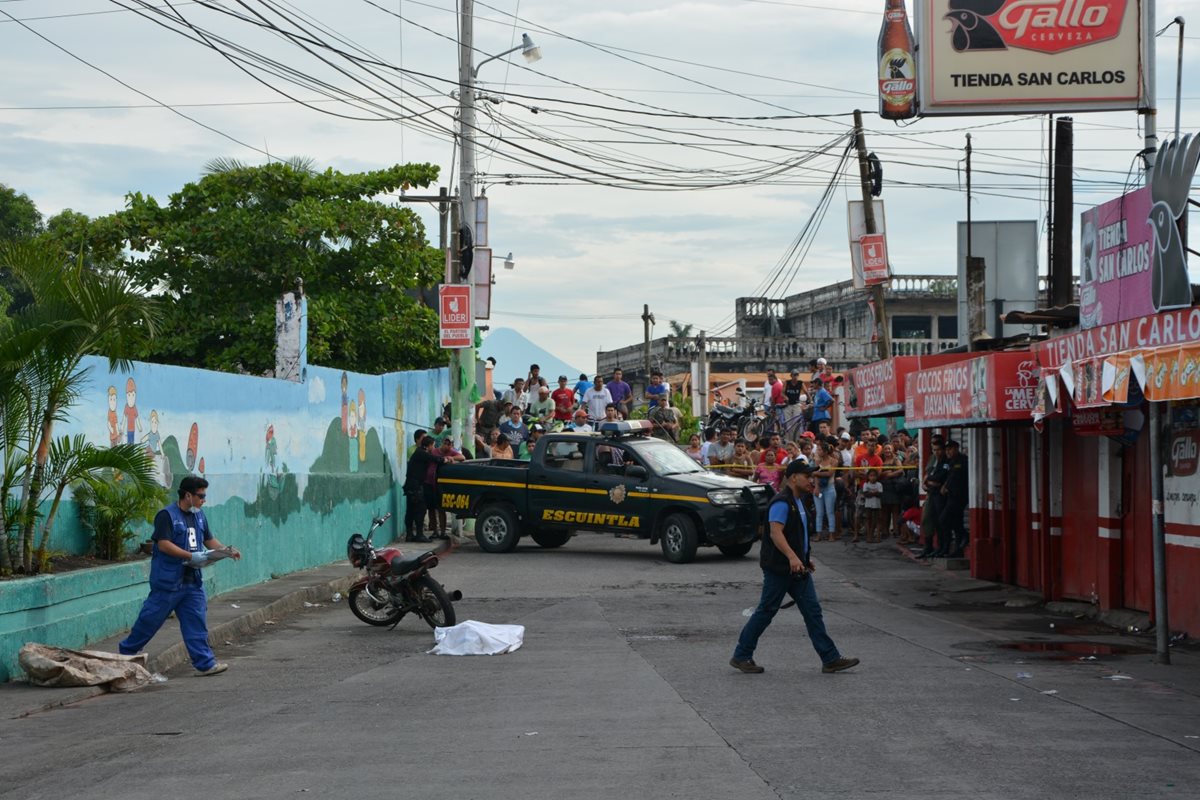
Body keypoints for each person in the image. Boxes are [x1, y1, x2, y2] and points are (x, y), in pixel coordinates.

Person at [730, 460, 859, 675]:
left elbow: (797, 535)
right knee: (766, 611)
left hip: (797, 569)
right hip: (779, 568)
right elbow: (776, 533)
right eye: (807, 476)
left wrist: (804, 559)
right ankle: (741, 655)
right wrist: (792, 557)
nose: (811, 480)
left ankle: (830, 659)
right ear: (792, 478)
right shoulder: (782, 502)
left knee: (812, 611)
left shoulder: (798, 501)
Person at [119, 476, 241, 677]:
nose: (203, 500)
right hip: (168, 582)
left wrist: (226, 551)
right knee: (149, 620)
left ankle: (205, 664)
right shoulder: (167, 516)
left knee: (196, 622)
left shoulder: (199, 516)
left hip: (192, 581)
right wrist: (189, 556)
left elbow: (209, 540)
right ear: (188, 495)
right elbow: (163, 544)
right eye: (200, 496)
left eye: (204, 496)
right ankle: (126, 654)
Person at [404, 436, 444, 542]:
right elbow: (435, 459)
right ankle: (419, 534)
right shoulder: (421, 453)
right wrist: (445, 459)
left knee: (411, 510)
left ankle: (410, 534)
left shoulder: (419, 453)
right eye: (433, 445)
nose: (434, 448)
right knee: (420, 510)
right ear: (429, 445)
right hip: (415, 486)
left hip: (411, 485)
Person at [935, 440, 969, 558]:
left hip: (959, 496)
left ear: (956, 448)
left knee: (944, 519)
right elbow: (949, 477)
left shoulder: (963, 460)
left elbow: (960, 478)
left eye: (950, 449)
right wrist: (945, 486)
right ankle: (958, 549)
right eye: (946, 449)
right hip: (951, 496)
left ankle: (965, 535)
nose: (948, 452)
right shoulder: (950, 462)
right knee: (957, 521)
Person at [813, 438, 839, 541]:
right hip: (819, 487)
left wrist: (816, 473)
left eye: (819, 450)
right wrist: (816, 487)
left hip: (829, 488)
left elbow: (829, 473)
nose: (818, 452)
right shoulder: (817, 461)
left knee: (830, 512)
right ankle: (818, 534)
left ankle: (831, 534)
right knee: (819, 512)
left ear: (825, 451)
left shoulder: (834, 461)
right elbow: (816, 476)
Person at [861, 469, 883, 543]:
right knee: (868, 519)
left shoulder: (879, 484)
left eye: (874, 476)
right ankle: (869, 535)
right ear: (868, 476)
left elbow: (880, 494)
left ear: (877, 477)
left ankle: (877, 536)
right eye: (871, 476)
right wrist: (874, 493)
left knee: (877, 520)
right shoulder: (866, 484)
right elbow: (866, 494)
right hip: (868, 505)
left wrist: (870, 492)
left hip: (877, 505)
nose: (872, 477)